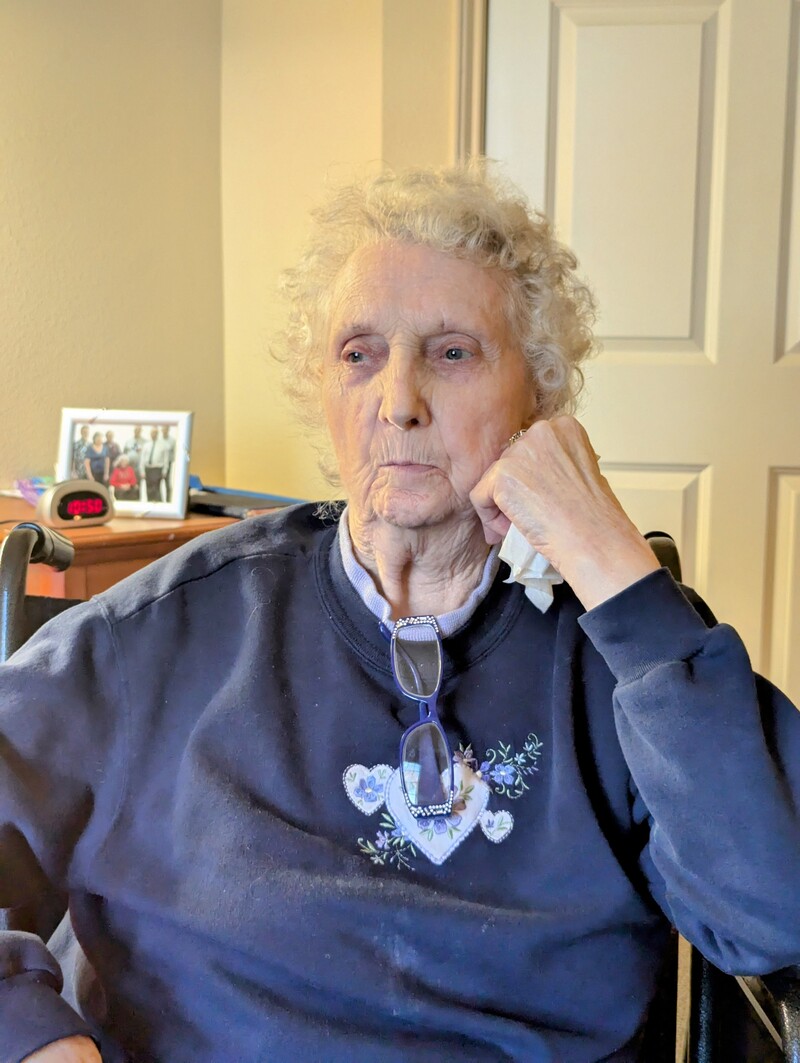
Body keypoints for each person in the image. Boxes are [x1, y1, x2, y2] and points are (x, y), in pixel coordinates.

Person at [2, 163, 800, 1063]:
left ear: (538, 398)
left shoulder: (632, 652)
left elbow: (777, 914)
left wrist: (615, 562)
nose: (400, 401)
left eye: (452, 352)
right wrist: (34, 1037)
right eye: (360, 354)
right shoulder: (172, 627)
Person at [139, 425, 170, 503]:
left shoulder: (163, 445)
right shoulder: (146, 445)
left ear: (157, 434)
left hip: (157, 469)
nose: (153, 434)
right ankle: (150, 504)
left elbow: (166, 460)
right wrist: (142, 471)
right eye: (152, 433)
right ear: (150, 434)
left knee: (156, 489)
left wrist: (164, 471)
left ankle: (158, 506)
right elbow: (142, 459)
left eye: (155, 433)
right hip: (148, 469)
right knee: (148, 489)